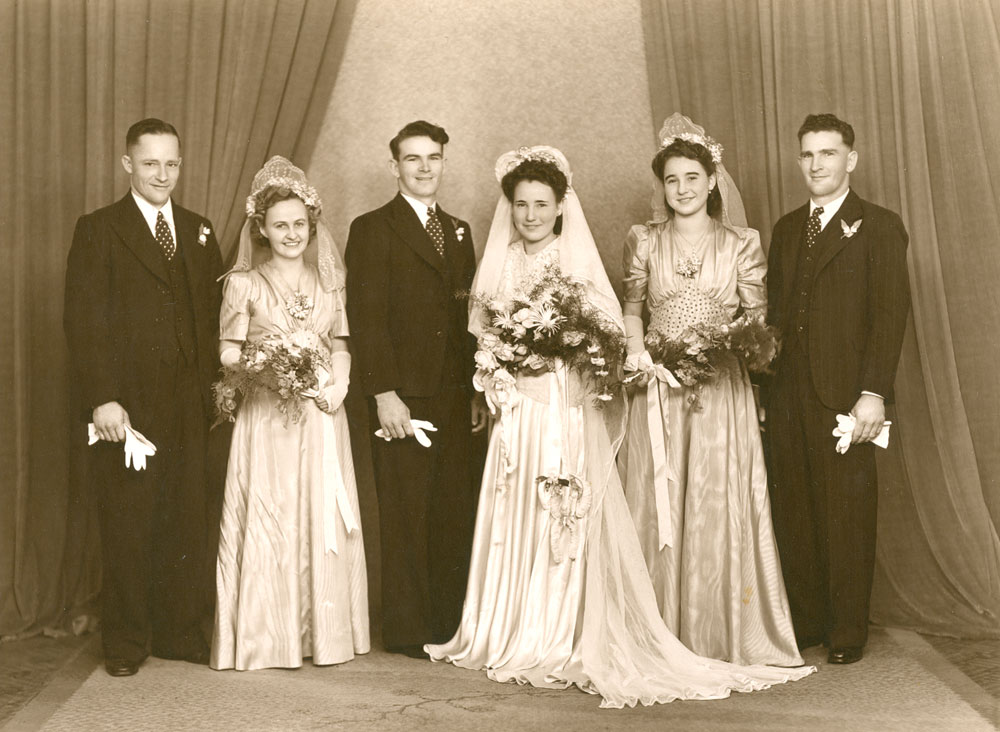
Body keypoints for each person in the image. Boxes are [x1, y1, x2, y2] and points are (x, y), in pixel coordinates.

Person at [426, 146, 813, 708]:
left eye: (541, 203)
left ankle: (616, 627)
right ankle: (510, 626)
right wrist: (504, 367)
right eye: (521, 205)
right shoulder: (508, 260)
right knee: (531, 505)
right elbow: (493, 333)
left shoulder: (594, 257)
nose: (530, 214)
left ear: (561, 207)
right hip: (529, 408)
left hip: (610, 397)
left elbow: (607, 325)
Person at [617, 114, 802, 666]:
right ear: (663, 187)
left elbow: (757, 319)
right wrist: (639, 353)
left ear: (712, 180)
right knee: (660, 499)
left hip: (720, 391)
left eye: (693, 177)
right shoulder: (644, 241)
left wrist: (721, 350)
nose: (683, 189)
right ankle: (658, 628)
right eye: (672, 180)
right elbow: (631, 308)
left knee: (713, 499)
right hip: (659, 388)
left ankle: (718, 629)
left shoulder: (741, 243)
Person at [63, 118, 224, 676]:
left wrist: (217, 392)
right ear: (128, 164)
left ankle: (180, 633)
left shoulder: (199, 229)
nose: (163, 174)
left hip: (189, 400)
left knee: (185, 517)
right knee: (129, 521)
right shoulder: (99, 228)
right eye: (151, 163)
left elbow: (213, 317)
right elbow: (84, 320)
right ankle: (126, 642)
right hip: (127, 406)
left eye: (172, 163)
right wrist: (102, 398)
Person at [210, 156, 369, 670]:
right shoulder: (244, 284)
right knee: (274, 516)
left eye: (300, 224)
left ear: (312, 225)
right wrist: (271, 366)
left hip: (323, 413)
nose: (292, 233)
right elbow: (228, 352)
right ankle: (267, 636)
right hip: (268, 416)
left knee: (318, 513)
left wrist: (339, 383)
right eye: (280, 224)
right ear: (261, 228)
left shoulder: (329, 282)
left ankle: (320, 633)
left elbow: (340, 340)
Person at [764, 113, 910, 665]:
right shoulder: (783, 229)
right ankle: (808, 622)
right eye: (807, 154)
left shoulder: (878, 224)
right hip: (788, 395)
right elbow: (776, 315)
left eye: (828, 153)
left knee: (846, 513)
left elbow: (890, 314)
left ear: (851, 158)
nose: (816, 164)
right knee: (796, 509)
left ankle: (847, 631)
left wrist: (873, 392)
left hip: (847, 398)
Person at [345, 120, 486, 657]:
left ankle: (446, 624)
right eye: (413, 159)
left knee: (451, 510)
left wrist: (476, 388)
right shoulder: (373, 227)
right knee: (405, 512)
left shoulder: (459, 230)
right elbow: (367, 317)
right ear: (395, 166)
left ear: (444, 162)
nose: (425, 168)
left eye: (434, 158)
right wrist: (383, 393)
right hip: (403, 396)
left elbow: (469, 318)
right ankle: (407, 631)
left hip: (453, 393)